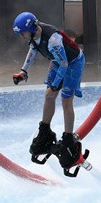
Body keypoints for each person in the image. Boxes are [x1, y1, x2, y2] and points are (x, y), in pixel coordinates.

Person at [11, 11, 88, 175]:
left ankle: (68, 139)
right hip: (58, 62)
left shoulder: (53, 40)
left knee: (66, 100)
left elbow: (65, 64)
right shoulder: (34, 36)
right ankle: (45, 130)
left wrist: (54, 85)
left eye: (22, 33)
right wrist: (23, 71)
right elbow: (33, 52)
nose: (21, 36)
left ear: (31, 29)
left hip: (73, 63)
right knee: (48, 96)